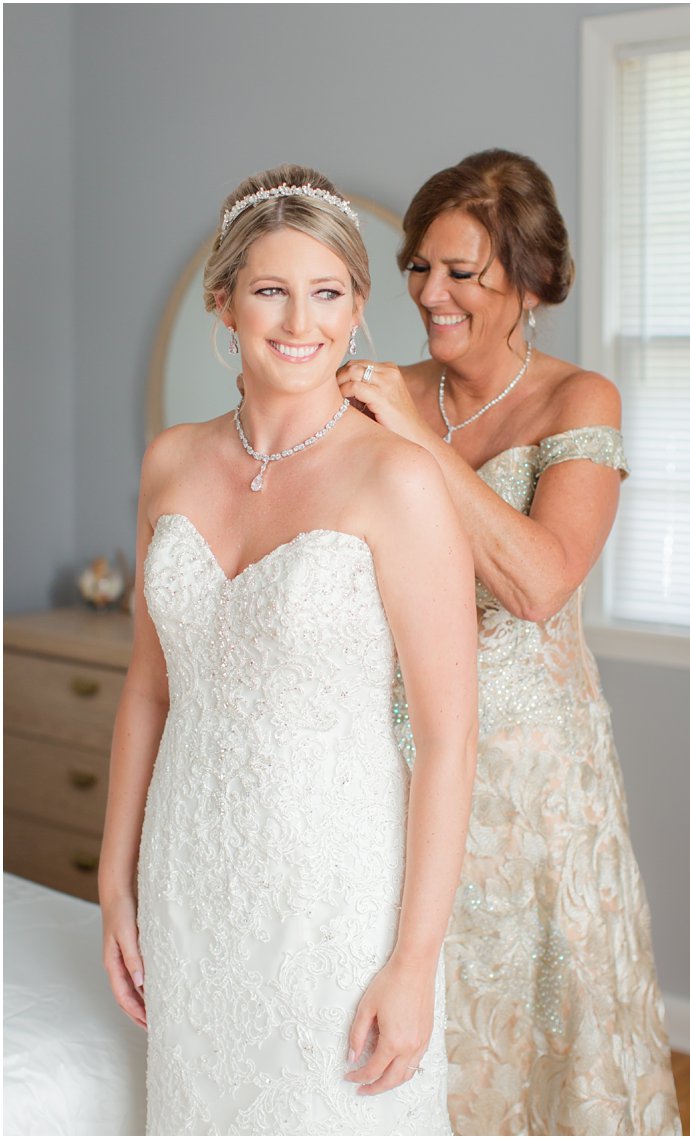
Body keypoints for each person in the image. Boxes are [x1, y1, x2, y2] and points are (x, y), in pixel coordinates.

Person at [97, 165, 479, 1134]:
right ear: (223, 304)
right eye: (270, 289)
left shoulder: (398, 479)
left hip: (333, 896)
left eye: (327, 292)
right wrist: (115, 880)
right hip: (189, 874)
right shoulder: (169, 462)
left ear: (357, 309)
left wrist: (414, 957)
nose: (298, 320)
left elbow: (447, 737)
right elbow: (149, 686)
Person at [336, 149, 680, 1136]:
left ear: (529, 282)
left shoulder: (580, 401)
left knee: (537, 1031)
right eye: (418, 267)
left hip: (534, 781)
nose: (429, 294)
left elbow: (536, 582)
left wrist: (416, 440)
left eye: (461, 273)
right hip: (394, 757)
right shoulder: (380, 391)